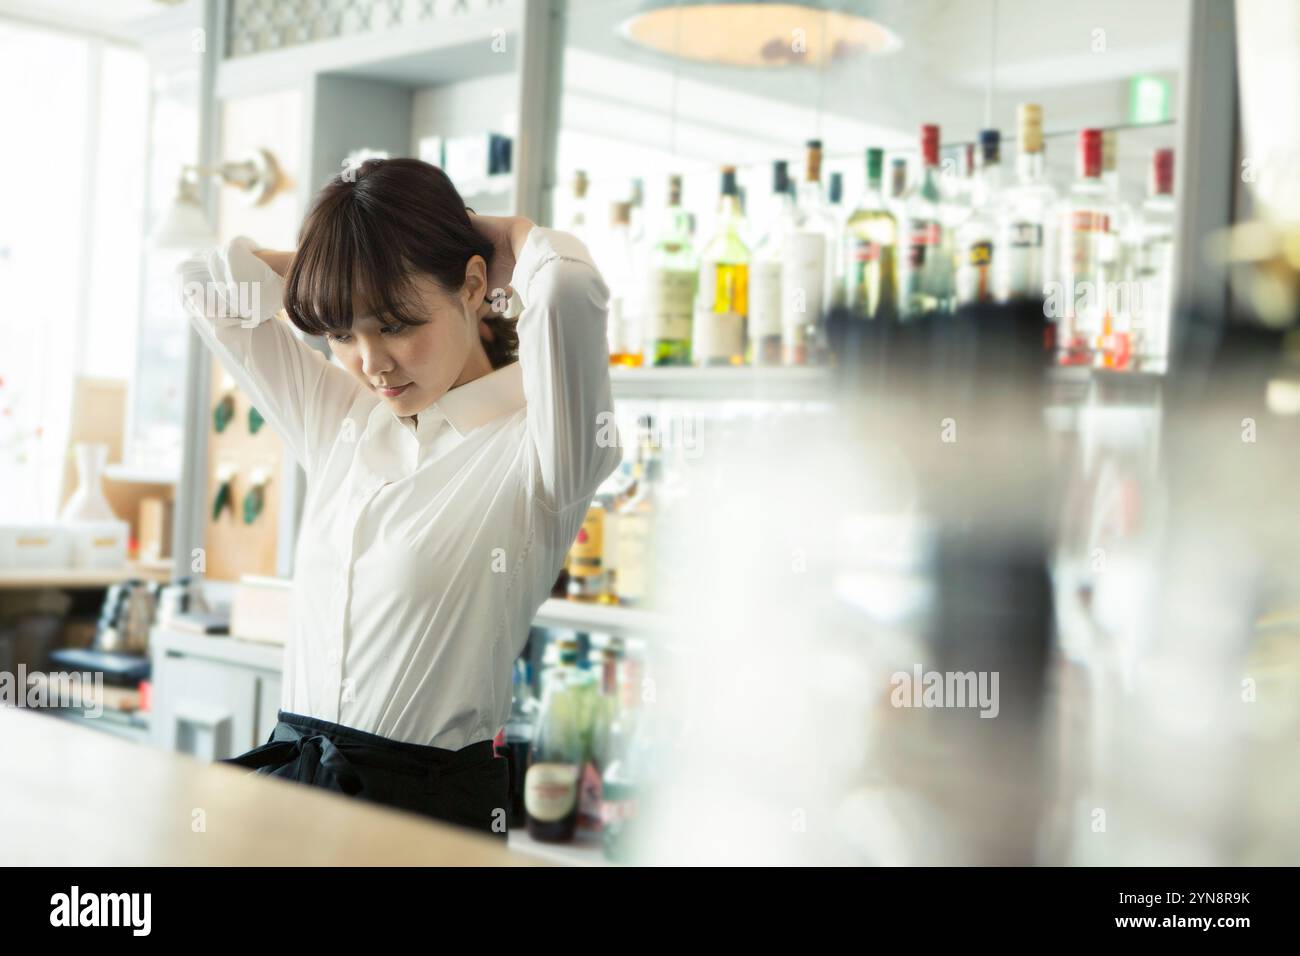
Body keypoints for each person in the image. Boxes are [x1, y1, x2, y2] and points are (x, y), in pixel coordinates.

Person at [178, 158, 620, 839]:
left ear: (475, 284)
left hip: (428, 820)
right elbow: (205, 288)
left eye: (395, 322)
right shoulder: (345, 423)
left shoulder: (544, 448)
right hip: (294, 797)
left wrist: (487, 236)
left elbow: (567, 285)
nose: (371, 362)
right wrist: (355, 254)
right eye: (342, 334)